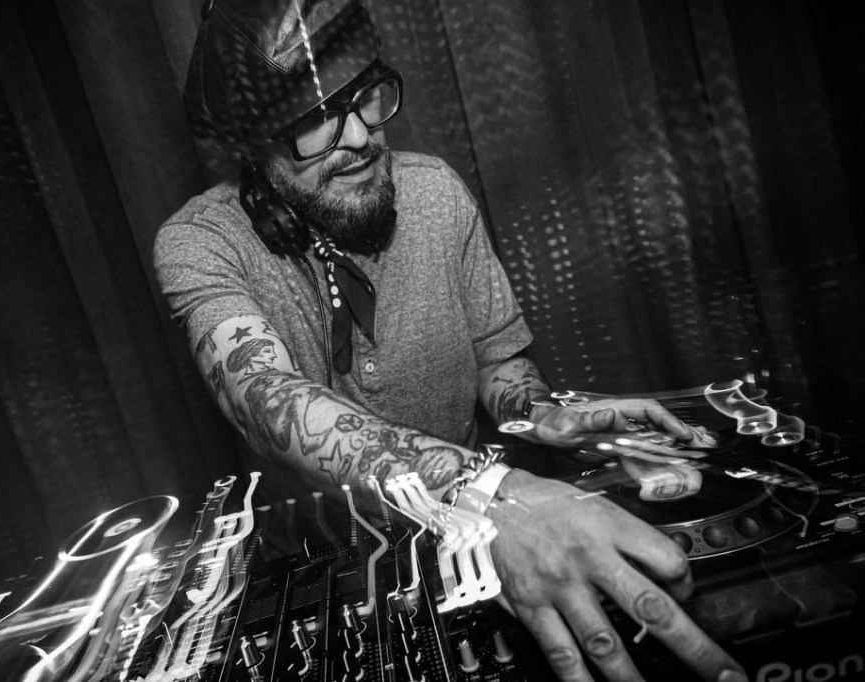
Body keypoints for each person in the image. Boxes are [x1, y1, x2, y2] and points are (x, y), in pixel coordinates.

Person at [153, 1, 747, 681]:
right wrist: (488, 490)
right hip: (337, 566)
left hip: (492, 535)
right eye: (315, 118)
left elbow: (499, 361)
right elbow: (265, 397)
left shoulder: (435, 191)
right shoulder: (199, 242)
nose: (360, 136)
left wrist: (539, 414)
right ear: (253, 147)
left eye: (365, 97)